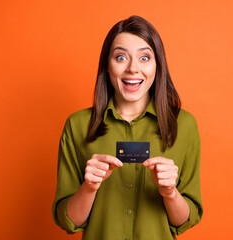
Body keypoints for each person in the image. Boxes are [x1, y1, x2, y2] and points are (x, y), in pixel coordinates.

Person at [52, 15, 203, 240]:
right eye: (121, 57)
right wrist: (89, 187)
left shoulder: (185, 125)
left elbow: (184, 221)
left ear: (157, 65)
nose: (133, 68)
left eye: (144, 58)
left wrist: (170, 193)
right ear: (107, 64)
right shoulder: (77, 125)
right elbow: (69, 221)